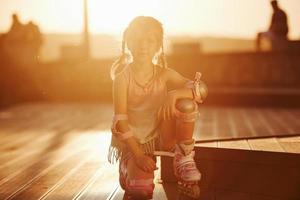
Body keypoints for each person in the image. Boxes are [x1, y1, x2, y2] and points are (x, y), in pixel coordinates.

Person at [108, 16, 208, 200]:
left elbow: (202, 89)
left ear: (157, 46)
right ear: (128, 42)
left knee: (186, 103)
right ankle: (127, 167)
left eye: (149, 40)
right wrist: (138, 156)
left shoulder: (164, 74)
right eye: (137, 40)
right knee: (141, 190)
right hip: (134, 144)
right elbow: (120, 124)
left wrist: (175, 94)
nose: (143, 45)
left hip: (162, 136)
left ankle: (183, 158)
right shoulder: (122, 79)